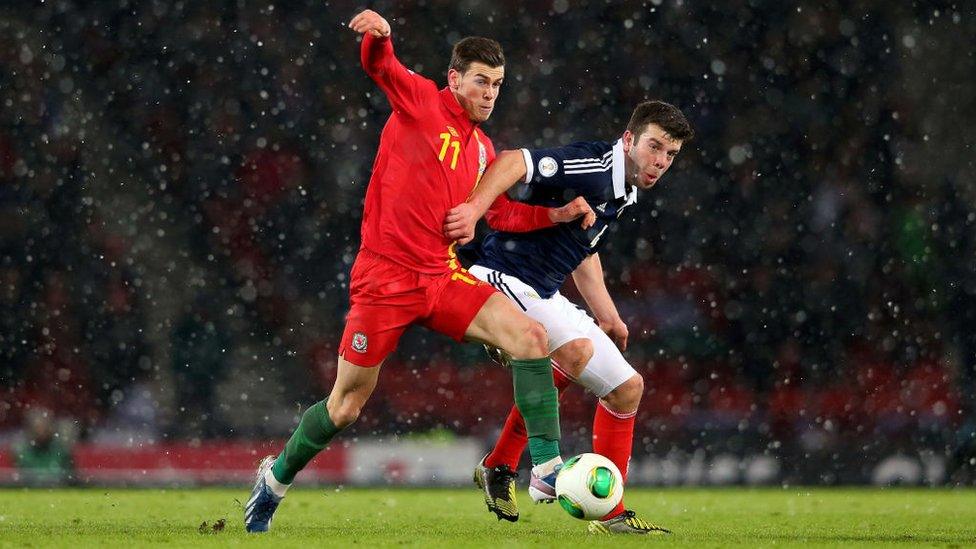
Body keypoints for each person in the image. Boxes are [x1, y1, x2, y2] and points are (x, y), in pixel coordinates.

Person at [244, 9, 586, 533]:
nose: (491, 93)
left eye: (497, 84)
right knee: (345, 408)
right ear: (455, 79)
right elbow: (382, 67)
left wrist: (554, 216)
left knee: (530, 337)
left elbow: (499, 214)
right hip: (384, 279)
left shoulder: (482, 149)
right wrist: (380, 38)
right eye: (481, 81)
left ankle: (545, 467)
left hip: (442, 277)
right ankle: (275, 480)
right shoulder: (423, 100)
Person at [444, 100, 694, 534]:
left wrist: (608, 315)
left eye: (670, 155)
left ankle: (607, 512)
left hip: (543, 292)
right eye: (654, 147)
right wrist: (473, 209)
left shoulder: (625, 189)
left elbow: (584, 250)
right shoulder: (594, 166)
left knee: (627, 388)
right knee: (574, 351)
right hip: (500, 275)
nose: (660, 162)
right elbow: (512, 161)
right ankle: (540, 468)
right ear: (629, 139)